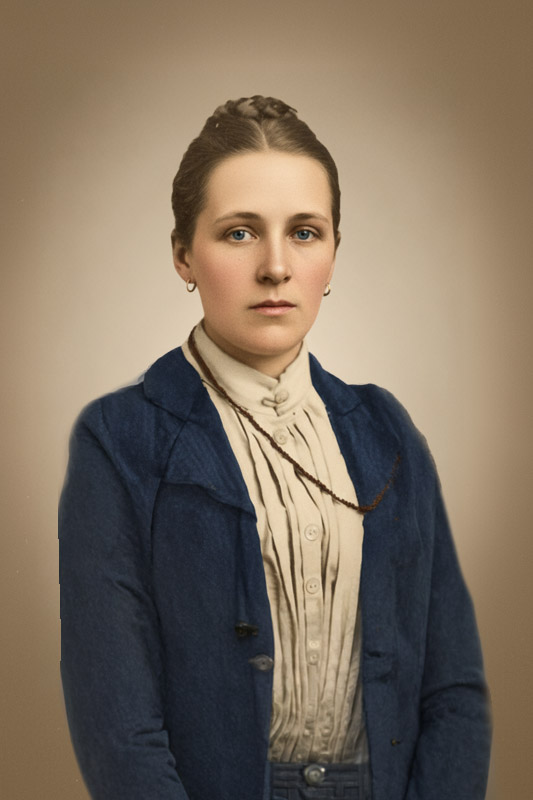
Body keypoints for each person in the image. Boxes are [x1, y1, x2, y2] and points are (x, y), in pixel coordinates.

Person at [59, 95, 491, 800]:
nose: (275, 267)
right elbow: (115, 717)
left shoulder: (386, 431)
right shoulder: (120, 438)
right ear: (182, 255)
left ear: (333, 253)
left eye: (304, 232)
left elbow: (453, 688)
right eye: (239, 233)